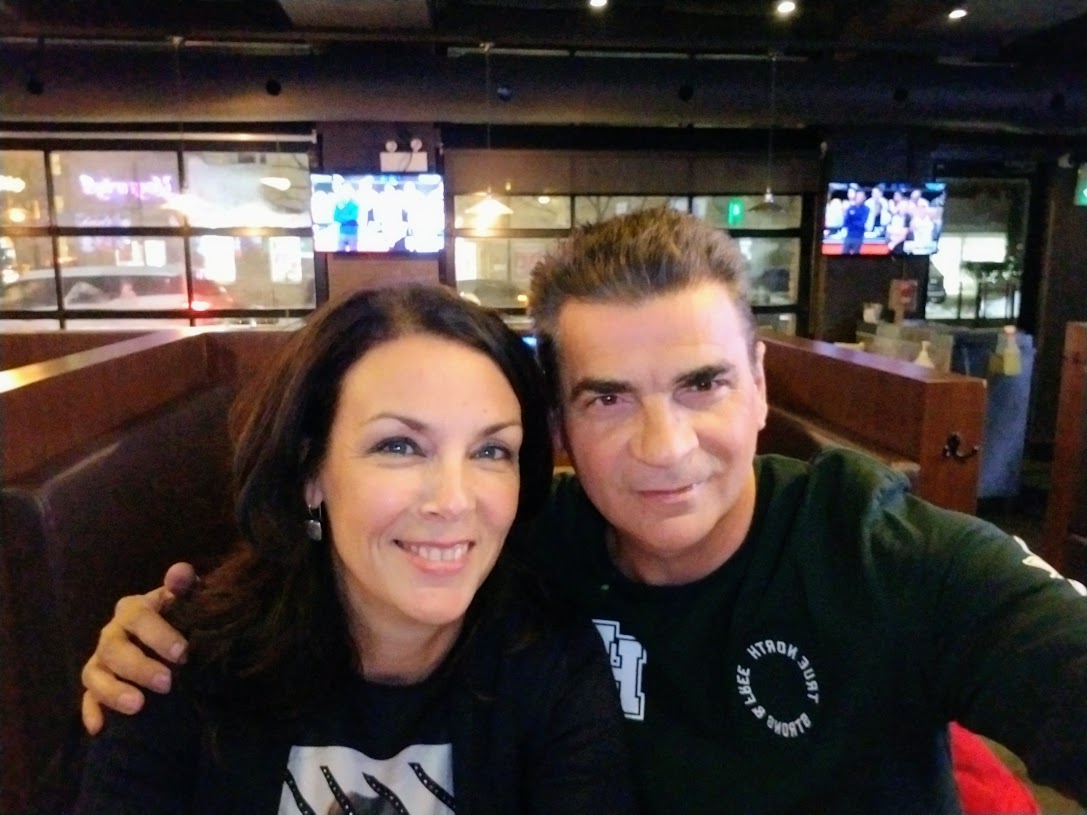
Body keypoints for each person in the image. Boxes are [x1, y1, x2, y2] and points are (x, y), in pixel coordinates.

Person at [83, 209, 1087, 813]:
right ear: (560, 424)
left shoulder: (880, 550)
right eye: (608, 397)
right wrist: (155, 632)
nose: (663, 444)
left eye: (701, 383)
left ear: (758, 384)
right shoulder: (511, 546)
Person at [73, 285, 637, 815]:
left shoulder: (552, 665)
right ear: (310, 471)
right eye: (400, 446)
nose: (454, 500)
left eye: (491, 451)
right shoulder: (175, 663)